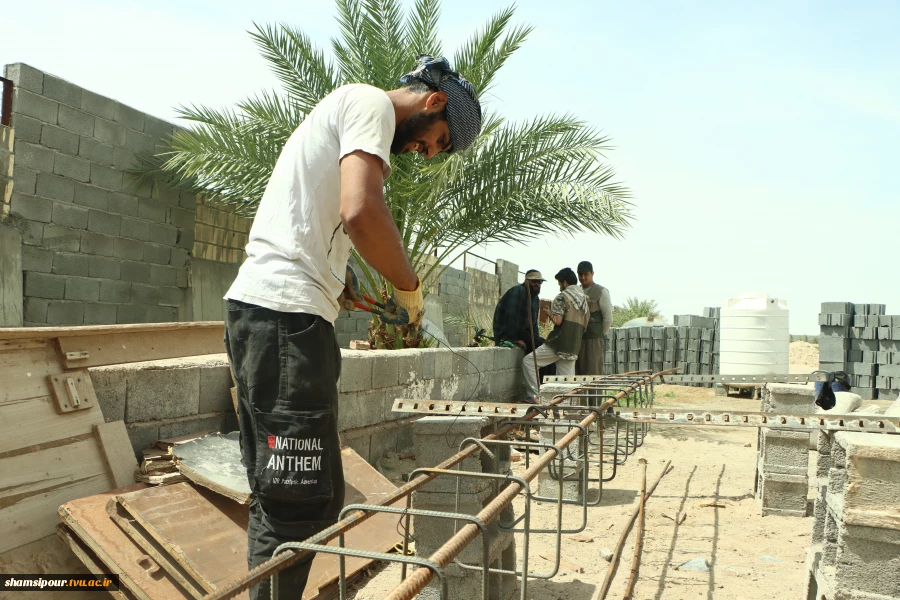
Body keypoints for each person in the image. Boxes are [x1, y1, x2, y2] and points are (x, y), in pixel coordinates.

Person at [223, 55, 482, 600]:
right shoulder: (370, 104)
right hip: (285, 321)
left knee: (286, 492)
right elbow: (363, 211)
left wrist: (338, 283)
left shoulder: (345, 111)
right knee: (300, 499)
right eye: (436, 141)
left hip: (271, 316)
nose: (426, 152)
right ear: (433, 102)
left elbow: (317, 221)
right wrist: (408, 287)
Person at [522, 268, 590, 403]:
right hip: (574, 345)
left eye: (559, 284)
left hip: (559, 343)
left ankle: (535, 396)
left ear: (564, 283)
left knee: (529, 362)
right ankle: (566, 409)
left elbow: (558, 321)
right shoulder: (584, 301)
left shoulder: (562, 296)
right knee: (565, 382)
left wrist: (549, 314)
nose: (559, 288)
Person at [492, 270, 545, 353]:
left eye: (539, 282)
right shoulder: (518, 291)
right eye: (534, 281)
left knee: (546, 346)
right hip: (507, 334)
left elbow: (534, 324)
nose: (537, 284)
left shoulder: (535, 299)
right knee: (541, 349)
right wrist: (514, 339)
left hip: (523, 333)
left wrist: (536, 339)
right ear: (526, 281)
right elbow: (511, 318)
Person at [575, 261, 613, 375]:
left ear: (592, 273)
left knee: (593, 375)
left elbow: (608, 318)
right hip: (577, 339)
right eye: (580, 274)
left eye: (586, 274)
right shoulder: (575, 291)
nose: (583, 277)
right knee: (576, 376)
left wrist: (599, 334)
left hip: (593, 340)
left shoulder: (601, 291)